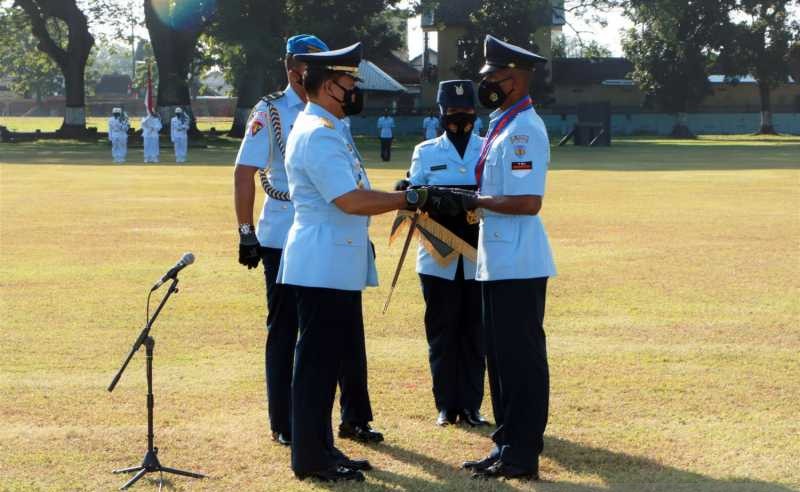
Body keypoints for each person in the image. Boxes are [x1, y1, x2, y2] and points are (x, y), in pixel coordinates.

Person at [279, 42, 461, 482]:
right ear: (328, 86)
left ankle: (322, 448)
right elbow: (349, 199)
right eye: (349, 83)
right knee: (316, 366)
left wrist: (403, 193)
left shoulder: (329, 126)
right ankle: (311, 458)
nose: (355, 90)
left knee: (325, 363)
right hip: (322, 262)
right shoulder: (318, 133)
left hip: (332, 263)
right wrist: (411, 196)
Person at [234, 34, 383, 450]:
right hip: (286, 234)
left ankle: (355, 415)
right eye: (309, 62)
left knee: (347, 331)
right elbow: (244, 171)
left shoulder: (334, 113)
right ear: (291, 67)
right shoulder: (272, 111)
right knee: (288, 333)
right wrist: (246, 231)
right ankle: (286, 420)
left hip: (339, 233)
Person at [461, 34, 556, 482]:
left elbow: (527, 202)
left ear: (514, 79)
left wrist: (475, 201)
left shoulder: (524, 129)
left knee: (521, 360)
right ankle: (504, 444)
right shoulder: (502, 122)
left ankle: (522, 453)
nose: (488, 84)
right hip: (498, 259)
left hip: (519, 261)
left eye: (494, 77)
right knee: (498, 359)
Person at [404, 81, 489, 428]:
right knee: (441, 332)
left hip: (478, 256)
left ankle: (471, 405)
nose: (460, 118)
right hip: (436, 257)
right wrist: (412, 192)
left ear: (475, 111)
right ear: (440, 113)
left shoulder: (487, 149)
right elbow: (413, 195)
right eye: (453, 112)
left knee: (475, 332)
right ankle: (445, 405)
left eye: (466, 111)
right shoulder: (425, 151)